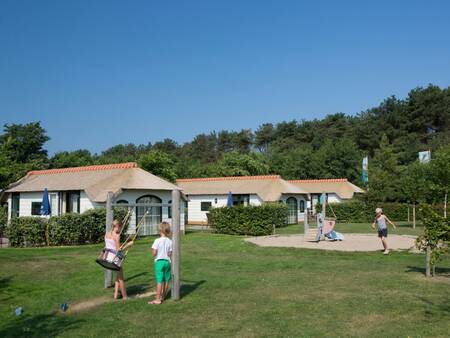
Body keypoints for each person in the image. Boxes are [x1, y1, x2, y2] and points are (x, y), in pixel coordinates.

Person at [105, 219, 133, 300]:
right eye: (120, 228)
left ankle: (116, 295)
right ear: (118, 227)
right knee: (121, 278)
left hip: (108, 258)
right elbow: (118, 250)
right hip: (115, 259)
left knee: (117, 276)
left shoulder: (107, 234)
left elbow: (109, 246)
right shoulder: (117, 236)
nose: (120, 230)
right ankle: (125, 297)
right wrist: (128, 244)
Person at [149, 222, 173, 305]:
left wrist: (153, 252)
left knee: (159, 281)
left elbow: (154, 253)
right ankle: (163, 296)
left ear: (160, 230)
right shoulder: (170, 241)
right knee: (166, 280)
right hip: (167, 262)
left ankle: (157, 299)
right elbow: (170, 254)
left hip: (159, 262)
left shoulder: (157, 240)